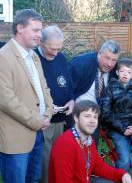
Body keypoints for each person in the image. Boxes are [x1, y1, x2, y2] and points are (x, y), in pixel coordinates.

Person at [0, 9, 53, 183]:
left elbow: (44, 88)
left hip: (38, 134)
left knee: (33, 179)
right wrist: (38, 121)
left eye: (41, 30)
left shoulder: (34, 56)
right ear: (20, 28)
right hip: (15, 140)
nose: (40, 35)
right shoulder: (3, 57)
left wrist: (48, 112)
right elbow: (6, 100)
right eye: (36, 30)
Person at [48, 100, 132, 183]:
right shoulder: (65, 143)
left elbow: (98, 166)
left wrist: (122, 174)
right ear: (76, 118)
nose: (92, 121)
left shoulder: (88, 140)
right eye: (87, 116)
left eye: (95, 117)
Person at [35, 25, 74, 183]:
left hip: (60, 118)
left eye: (59, 48)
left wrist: (71, 100)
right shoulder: (33, 58)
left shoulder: (61, 57)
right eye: (52, 48)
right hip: (42, 120)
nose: (55, 53)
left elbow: (69, 84)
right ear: (41, 43)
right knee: (44, 159)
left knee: (57, 156)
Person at [101, 58, 132, 172]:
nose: (125, 74)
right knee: (125, 160)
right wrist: (123, 129)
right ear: (117, 72)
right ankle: (121, 178)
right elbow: (106, 113)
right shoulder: (110, 89)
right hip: (116, 128)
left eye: (128, 72)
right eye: (122, 71)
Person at [69, 40, 121, 144]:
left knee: (92, 146)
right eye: (107, 58)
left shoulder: (115, 70)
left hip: (99, 114)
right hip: (78, 113)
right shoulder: (81, 63)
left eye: (114, 60)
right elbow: (66, 87)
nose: (110, 64)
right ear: (99, 53)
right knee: (77, 147)